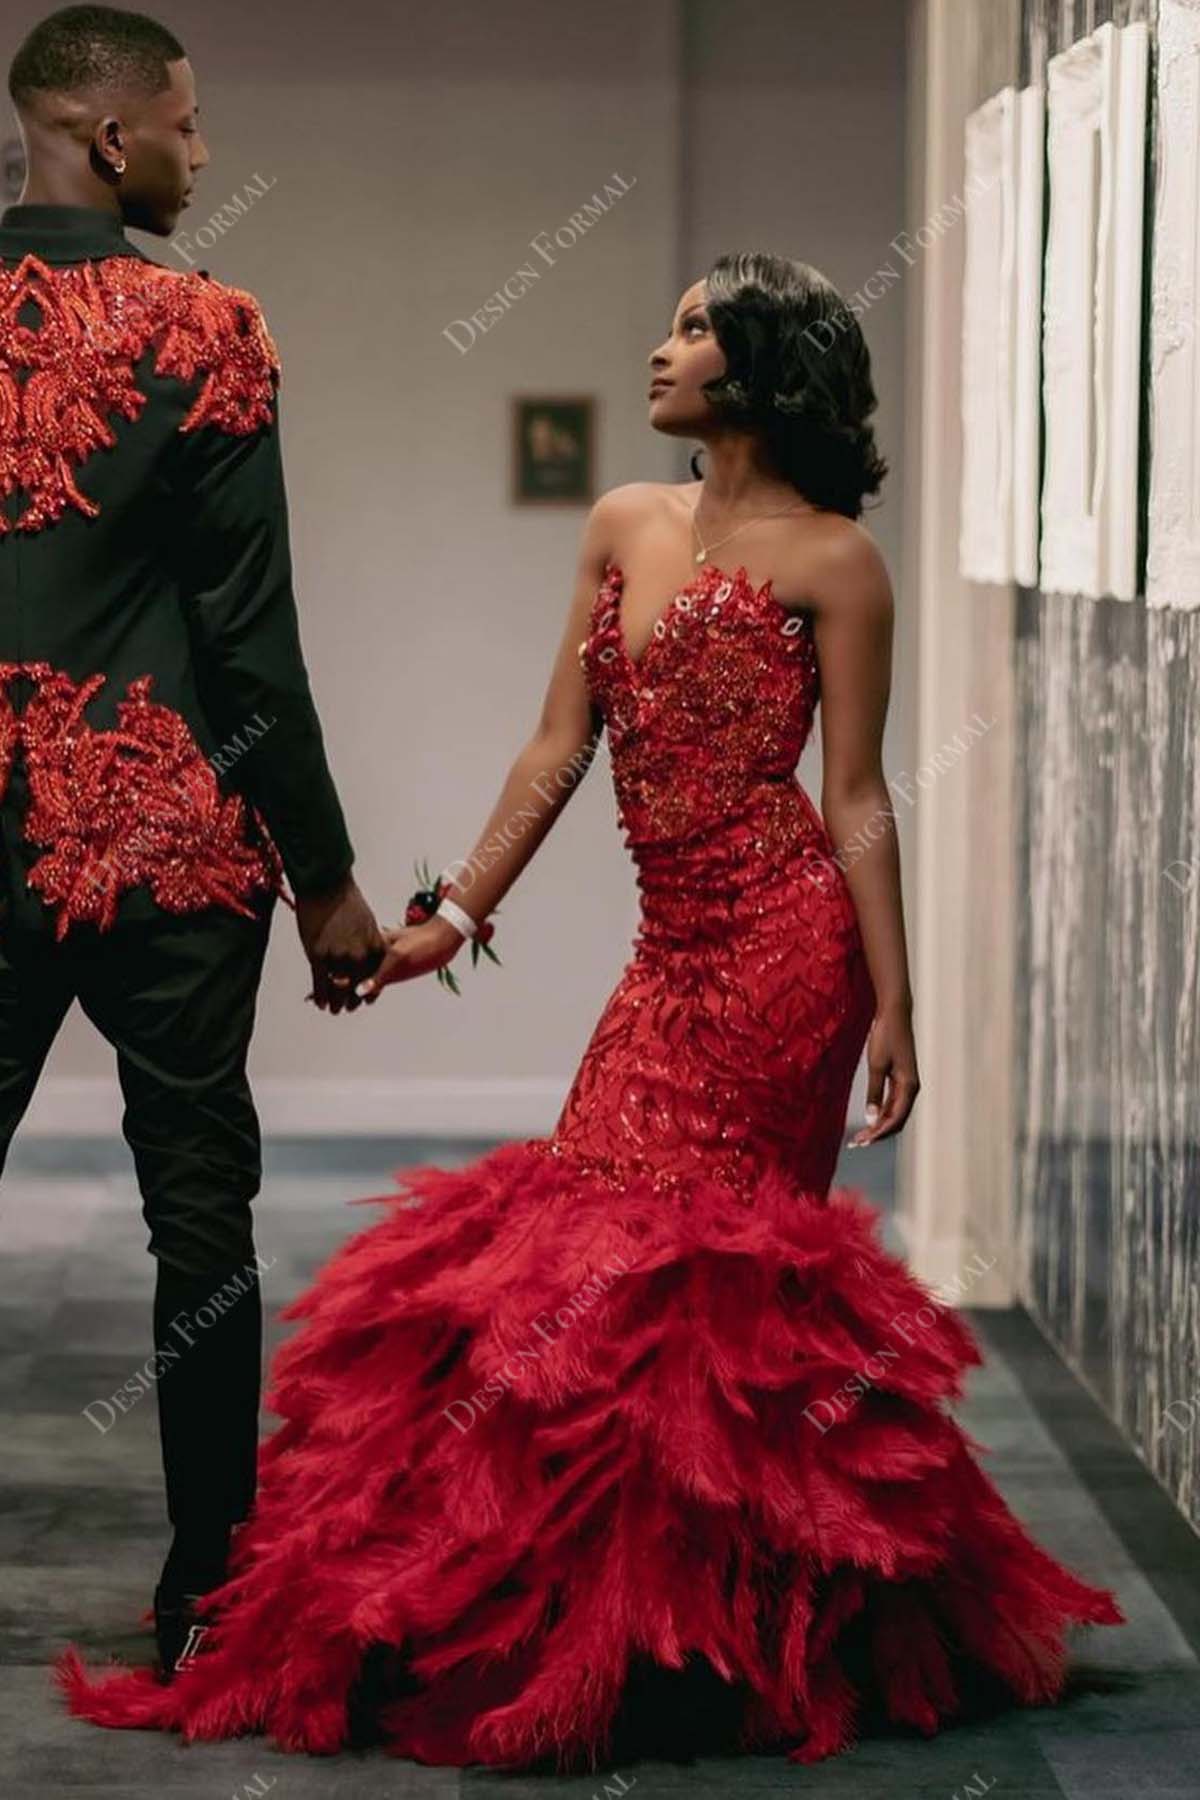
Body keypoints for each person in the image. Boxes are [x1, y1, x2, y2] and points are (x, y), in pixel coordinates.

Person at [55, 251, 1121, 1767]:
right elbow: (555, 747)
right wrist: (446, 922)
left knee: (719, 1301)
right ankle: (619, 1623)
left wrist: (894, 1000)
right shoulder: (628, 521)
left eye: (695, 327)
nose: (662, 345)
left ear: (761, 369)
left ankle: (723, 1628)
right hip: (667, 954)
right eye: (672, 318)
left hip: (785, 961)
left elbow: (859, 798)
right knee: (598, 1276)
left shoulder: (839, 562)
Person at [1, 3, 383, 1678]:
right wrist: (331, 881)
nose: (200, 152)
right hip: (166, 843)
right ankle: (205, 1592)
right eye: (188, 124)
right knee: (200, 1218)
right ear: (110, 138)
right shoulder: (209, 328)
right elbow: (250, 637)